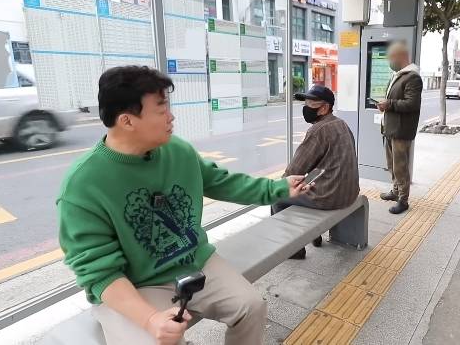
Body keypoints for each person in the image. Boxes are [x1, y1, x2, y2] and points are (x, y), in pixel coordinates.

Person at [57, 66, 309, 345]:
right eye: (161, 109)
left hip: (194, 261)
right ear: (127, 121)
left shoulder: (177, 151)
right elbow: (98, 272)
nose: (171, 116)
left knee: (251, 307)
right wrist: (151, 319)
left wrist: (278, 189)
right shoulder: (83, 185)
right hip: (136, 284)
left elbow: (221, 182)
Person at [271, 86, 360, 259]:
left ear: (325, 108)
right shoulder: (342, 124)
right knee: (303, 186)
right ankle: (313, 234)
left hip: (330, 196)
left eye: (311, 104)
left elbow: (295, 170)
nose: (306, 108)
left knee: (278, 196)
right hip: (350, 191)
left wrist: (280, 185)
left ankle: (294, 250)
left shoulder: (318, 130)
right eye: (306, 103)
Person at [377, 41, 423, 214]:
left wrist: (389, 104)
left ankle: (403, 200)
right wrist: (386, 105)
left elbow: (412, 104)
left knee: (400, 166)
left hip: (402, 130)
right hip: (391, 128)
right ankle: (395, 191)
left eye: (392, 57)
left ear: (402, 57)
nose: (390, 61)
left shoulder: (412, 77)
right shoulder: (398, 75)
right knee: (392, 164)